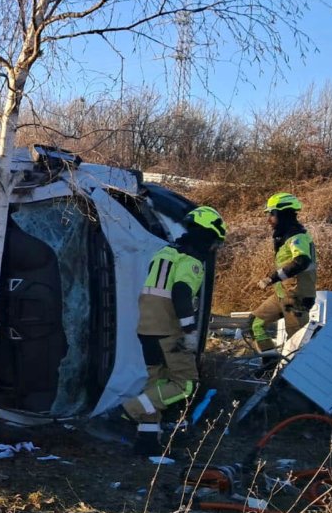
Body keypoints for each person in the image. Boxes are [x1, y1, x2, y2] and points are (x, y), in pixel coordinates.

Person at [124, 206, 226, 455]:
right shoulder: (190, 262)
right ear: (206, 235)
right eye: (215, 242)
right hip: (168, 330)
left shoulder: (164, 253)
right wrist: (189, 331)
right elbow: (181, 292)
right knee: (185, 384)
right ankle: (130, 409)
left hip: (146, 328)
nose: (214, 249)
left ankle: (146, 445)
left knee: (156, 384)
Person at [248, 192, 317, 352]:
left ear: (283, 214)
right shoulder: (285, 237)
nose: (269, 219)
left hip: (296, 297)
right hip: (282, 295)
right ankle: (269, 363)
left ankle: (294, 374)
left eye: (272, 214)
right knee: (254, 323)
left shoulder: (297, 237)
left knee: (297, 344)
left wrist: (271, 278)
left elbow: (301, 261)